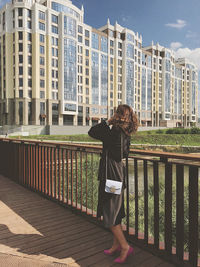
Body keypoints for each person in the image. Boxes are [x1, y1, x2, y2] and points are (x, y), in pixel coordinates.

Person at [88, 104, 138, 263]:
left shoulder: (115, 131)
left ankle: (124, 247)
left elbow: (92, 132)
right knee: (114, 209)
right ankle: (116, 244)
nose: (116, 115)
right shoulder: (125, 133)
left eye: (117, 113)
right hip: (117, 173)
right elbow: (122, 153)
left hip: (112, 175)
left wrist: (107, 121)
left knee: (109, 210)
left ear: (118, 115)